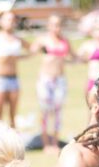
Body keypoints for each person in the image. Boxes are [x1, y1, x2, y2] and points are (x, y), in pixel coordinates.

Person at [31, 15, 73, 154]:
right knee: (45, 112)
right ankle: (45, 143)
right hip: (45, 80)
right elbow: (30, 51)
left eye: (59, 24)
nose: (56, 28)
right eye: (53, 24)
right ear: (48, 25)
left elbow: (73, 56)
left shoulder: (65, 41)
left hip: (60, 80)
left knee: (57, 112)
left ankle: (55, 143)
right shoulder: (43, 40)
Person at [78, 23, 99, 93]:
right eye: (98, 30)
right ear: (92, 32)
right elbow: (77, 57)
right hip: (94, 80)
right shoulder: (88, 45)